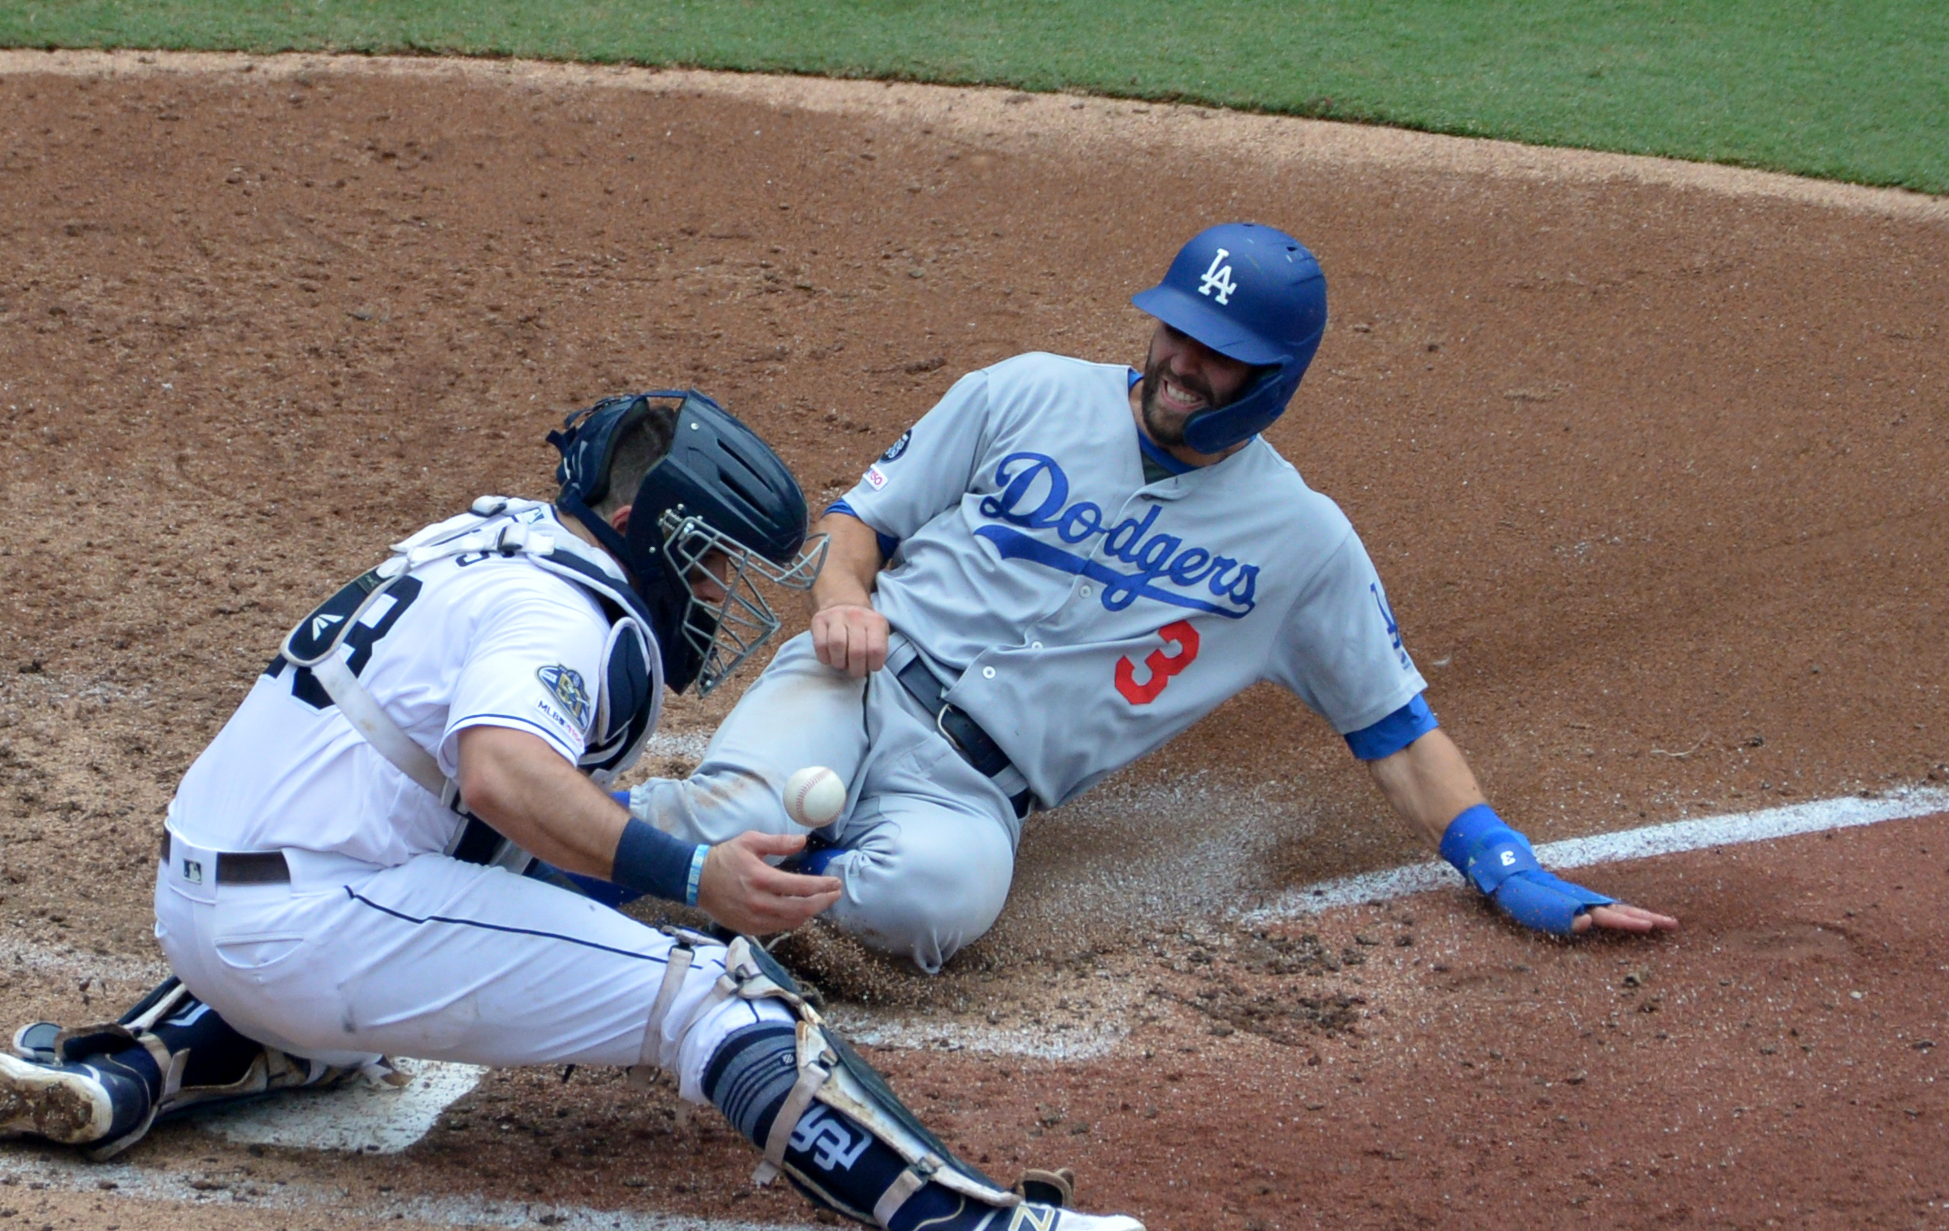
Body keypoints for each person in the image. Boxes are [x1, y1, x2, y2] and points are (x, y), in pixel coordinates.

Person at [0, 391, 1146, 1231]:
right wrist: (692, 880)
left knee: (504, 879)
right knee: (707, 995)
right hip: (317, 925)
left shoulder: (482, 536)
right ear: (657, 533)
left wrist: (637, 868)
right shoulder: (561, 614)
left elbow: (497, 811)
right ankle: (945, 1220)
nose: (720, 595)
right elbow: (507, 778)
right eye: (711, 563)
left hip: (209, 901)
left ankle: (139, 1064)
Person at [627, 224, 1679, 972]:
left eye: (1217, 356)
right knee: (735, 812)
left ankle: (776, 884)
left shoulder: (1299, 543)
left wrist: (1505, 867)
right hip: (860, 680)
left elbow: (1395, 731)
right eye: (1176, 332)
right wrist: (845, 595)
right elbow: (861, 520)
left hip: (970, 796)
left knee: (934, 904)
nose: (1180, 363)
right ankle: (565, 846)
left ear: (1274, 376)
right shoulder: (1026, 388)